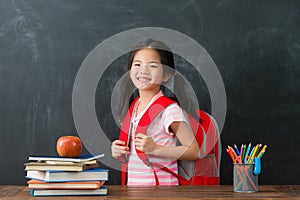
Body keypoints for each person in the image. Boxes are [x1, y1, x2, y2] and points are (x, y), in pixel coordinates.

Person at [111, 39, 200, 185]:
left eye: (152, 66)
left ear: (166, 75)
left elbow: (194, 151)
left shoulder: (169, 111)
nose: (143, 71)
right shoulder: (133, 107)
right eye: (137, 64)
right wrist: (118, 151)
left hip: (162, 192)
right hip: (133, 191)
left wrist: (155, 149)